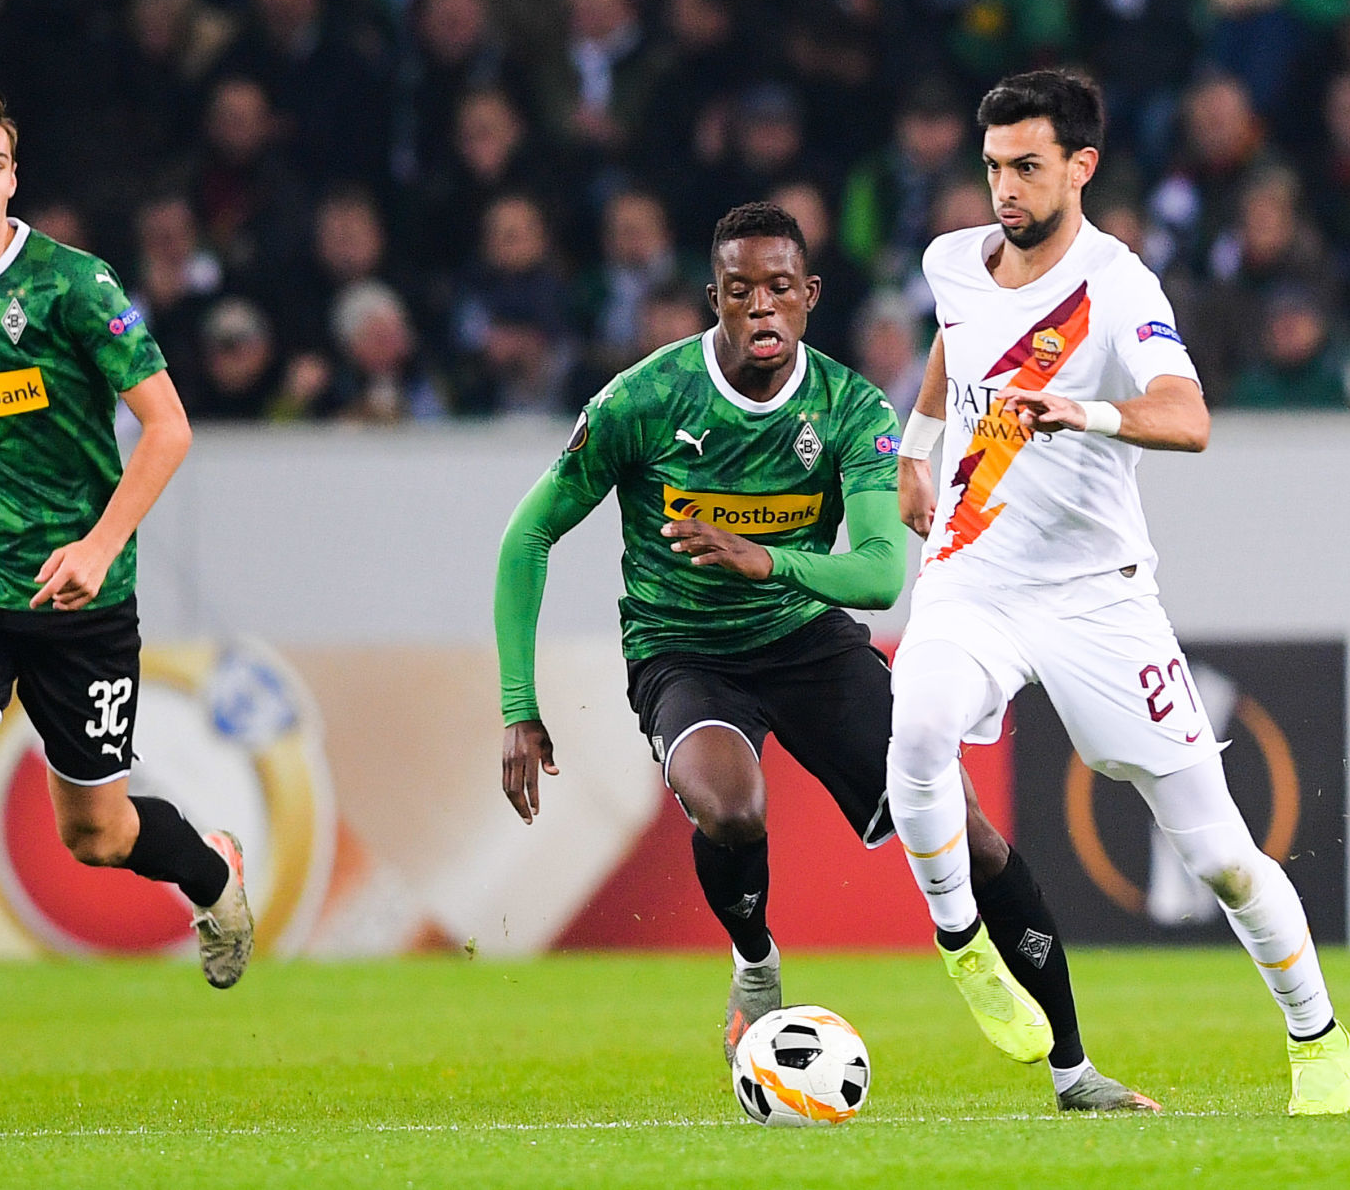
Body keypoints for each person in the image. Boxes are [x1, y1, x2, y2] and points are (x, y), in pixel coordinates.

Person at [494, 202, 1155, 1113]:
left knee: (966, 823)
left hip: (805, 639)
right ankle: (756, 965)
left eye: (777, 289)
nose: (759, 307)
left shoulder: (845, 405)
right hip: (682, 649)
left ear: (808, 295)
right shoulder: (644, 398)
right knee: (731, 807)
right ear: (713, 300)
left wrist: (767, 558)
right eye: (737, 291)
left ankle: (1074, 1071)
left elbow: (883, 573)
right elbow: (526, 537)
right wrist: (517, 705)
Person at [890, 70, 1350, 1114]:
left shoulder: (1120, 287)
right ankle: (964, 944)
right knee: (915, 727)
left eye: (1026, 167)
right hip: (971, 576)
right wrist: (916, 452)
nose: (1003, 189)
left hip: (1096, 598)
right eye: (993, 167)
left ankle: (1318, 1035)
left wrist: (1085, 414)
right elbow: (953, 344)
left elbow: (1187, 417)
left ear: (1080, 167)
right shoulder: (952, 262)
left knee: (1222, 857)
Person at [0, 79, 252, 1113]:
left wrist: (97, 541)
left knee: (97, 836)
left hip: (81, 603)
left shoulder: (76, 287)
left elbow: (166, 427)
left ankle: (209, 872)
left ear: (12, 177)